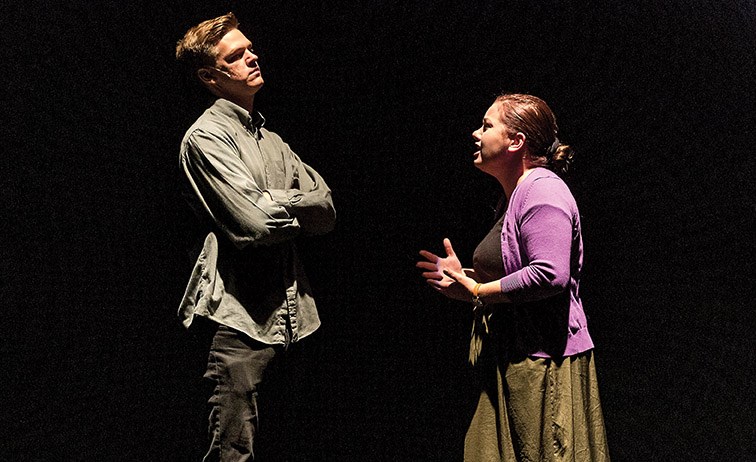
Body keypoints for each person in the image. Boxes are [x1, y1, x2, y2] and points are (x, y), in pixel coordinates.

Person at [175, 12, 336, 461]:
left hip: (297, 321)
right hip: (239, 323)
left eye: (250, 49)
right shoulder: (205, 139)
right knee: (233, 454)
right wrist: (286, 202)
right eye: (236, 55)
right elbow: (253, 226)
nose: (252, 57)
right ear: (210, 76)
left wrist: (270, 197)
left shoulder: (272, 139)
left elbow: (327, 210)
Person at [417, 94, 609, 461]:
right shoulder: (517, 193)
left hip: (541, 363)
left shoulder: (542, 190)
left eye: (487, 126)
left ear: (516, 141)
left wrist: (478, 289)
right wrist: (464, 281)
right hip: (513, 358)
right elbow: (514, 273)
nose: (476, 133)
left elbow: (550, 274)